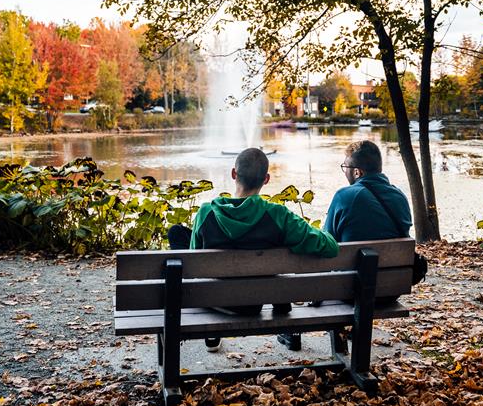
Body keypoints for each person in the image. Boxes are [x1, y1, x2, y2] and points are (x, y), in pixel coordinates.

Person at [168, 147, 339, 352]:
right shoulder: (278, 215)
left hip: (211, 298)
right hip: (254, 301)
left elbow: (194, 266)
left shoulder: (206, 212)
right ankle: (279, 303)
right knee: (282, 237)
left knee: (177, 233)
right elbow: (329, 247)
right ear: (266, 179)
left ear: (233, 174)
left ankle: (212, 330)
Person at [277, 140, 412, 352]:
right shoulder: (400, 197)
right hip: (389, 289)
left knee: (320, 263)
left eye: (345, 167)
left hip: (350, 290)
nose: (345, 172)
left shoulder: (345, 196)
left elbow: (325, 242)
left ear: (357, 172)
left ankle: (293, 330)